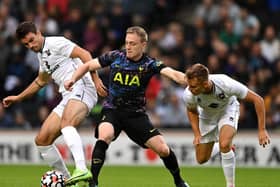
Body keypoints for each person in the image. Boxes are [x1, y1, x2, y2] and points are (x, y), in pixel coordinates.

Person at [64, 26, 190, 187]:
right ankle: (93, 182)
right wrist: (72, 80)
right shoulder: (116, 56)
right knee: (105, 135)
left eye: (133, 43)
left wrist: (186, 79)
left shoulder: (149, 64)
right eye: (127, 43)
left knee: (164, 149)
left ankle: (179, 181)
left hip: (135, 115)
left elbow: (171, 73)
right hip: (112, 110)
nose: (128, 47)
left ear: (143, 45)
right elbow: (87, 66)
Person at [2, 21, 107, 186]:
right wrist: (18, 97)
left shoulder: (56, 42)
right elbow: (40, 81)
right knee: (42, 140)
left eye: (31, 40)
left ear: (38, 32)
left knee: (67, 124)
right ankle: (69, 181)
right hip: (68, 95)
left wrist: (96, 79)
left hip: (82, 86)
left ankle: (81, 169)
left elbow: (85, 54)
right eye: (26, 44)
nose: (30, 45)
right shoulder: (41, 55)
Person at [183, 63, 271, 187]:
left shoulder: (225, 83)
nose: (190, 89)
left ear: (205, 83)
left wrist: (262, 129)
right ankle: (223, 147)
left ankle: (230, 184)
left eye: (194, 86)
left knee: (225, 144)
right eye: (189, 86)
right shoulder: (189, 94)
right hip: (207, 116)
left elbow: (258, 100)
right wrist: (197, 133)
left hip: (227, 110)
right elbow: (192, 111)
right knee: (201, 159)